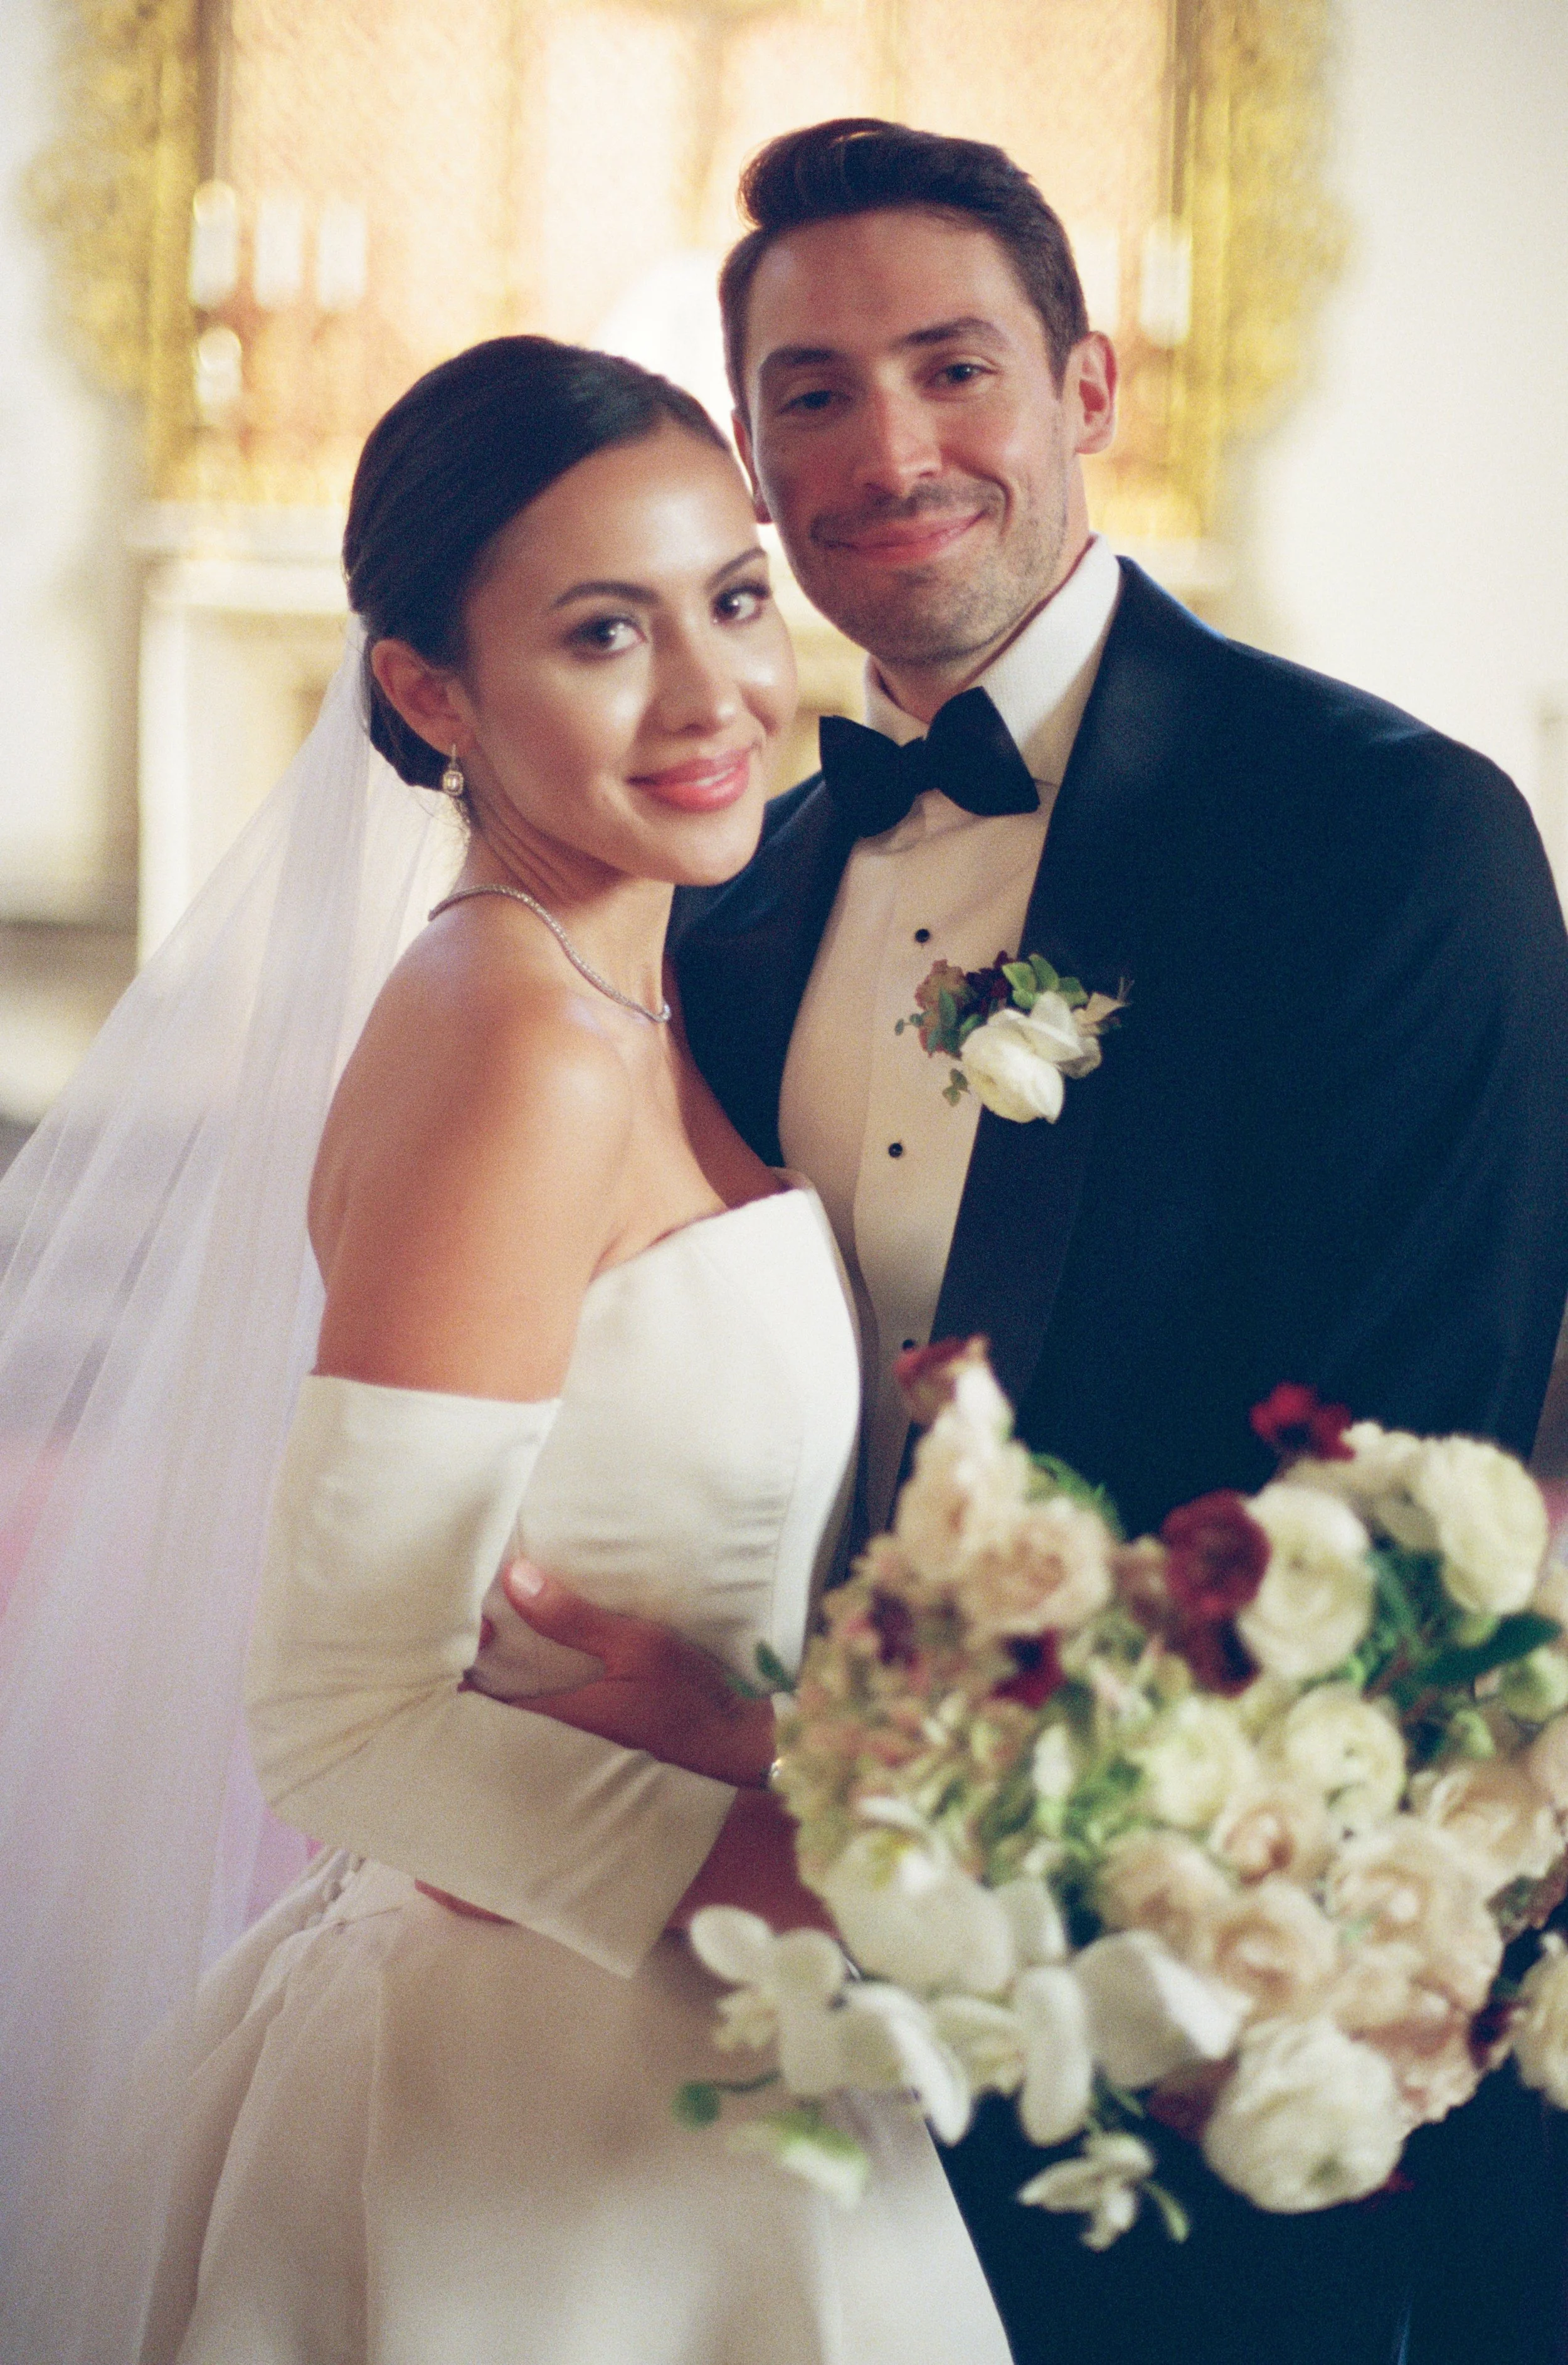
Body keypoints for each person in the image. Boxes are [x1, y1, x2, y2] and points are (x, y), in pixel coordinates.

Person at [500, 119, 1568, 2365]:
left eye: (951, 367)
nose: (886, 447)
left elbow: (1375, 1516)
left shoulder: (1381, 838)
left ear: (1084, 390)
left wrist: (972, 1875)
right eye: (810, 396)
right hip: (765, 1978)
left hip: (1182, 1999)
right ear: (758, 473)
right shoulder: (746, 886)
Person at [0, 336, 1014, 2364]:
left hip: (691, 2039)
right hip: (533, 2085)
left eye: (730, 598)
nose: (711, 689)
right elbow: (343, 1714)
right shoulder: (512, 1045)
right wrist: (799, 1876)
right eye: (599, 635)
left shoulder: (631, 991)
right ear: (427, 694)